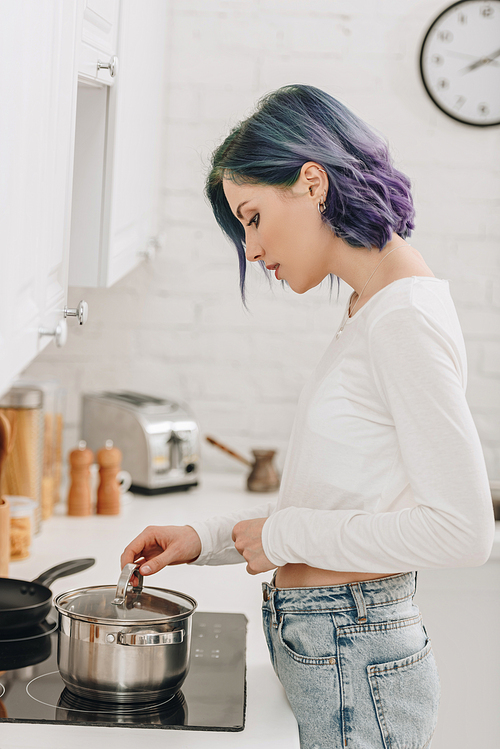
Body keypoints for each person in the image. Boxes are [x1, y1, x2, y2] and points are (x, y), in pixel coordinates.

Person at [121, 84, 495, 749]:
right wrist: (202, 536)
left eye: (253, 217)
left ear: (312, 182)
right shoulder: (369, 310)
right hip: (333, 644)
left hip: (355, 650)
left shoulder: (402, 319)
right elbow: (328, 501)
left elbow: (464, 532)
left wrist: (286, 534)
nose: (250, 248)